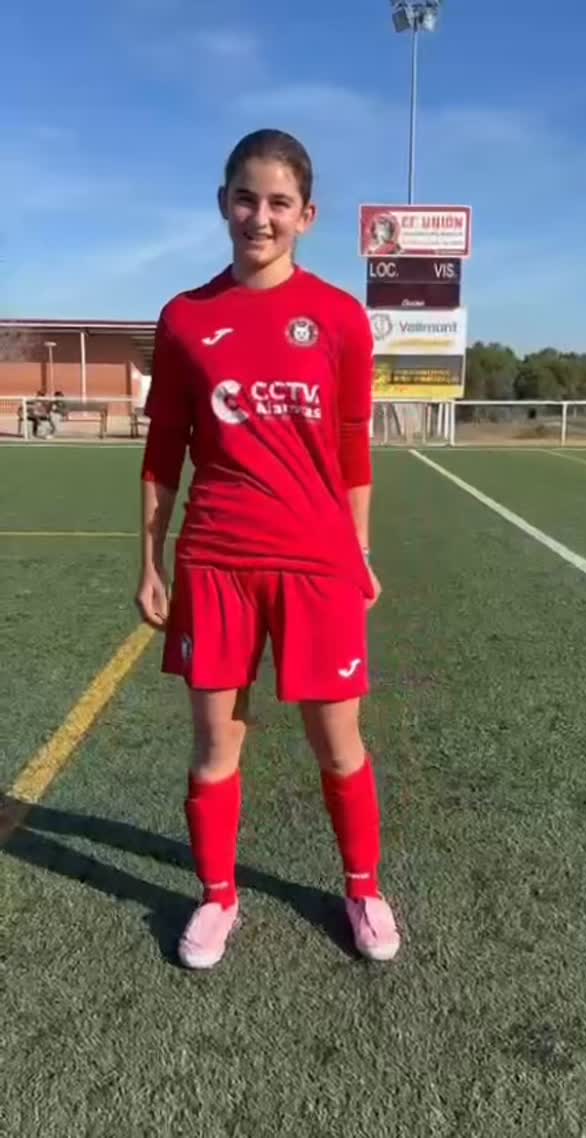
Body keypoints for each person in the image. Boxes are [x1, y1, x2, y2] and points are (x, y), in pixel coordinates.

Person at [136, 128, 400, 969]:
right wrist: (148, 557)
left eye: (279, 203)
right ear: (223, 203)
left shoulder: (339, 319)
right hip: (214, 559)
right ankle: (218, 898)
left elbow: (354, 448)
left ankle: (363, 888)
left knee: (338, 742)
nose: (261, 217)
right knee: (217, 744)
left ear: (307, 215)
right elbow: (164, 450)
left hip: (317, 561)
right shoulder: (185, 318)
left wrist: (358, 550)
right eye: (246, 198)